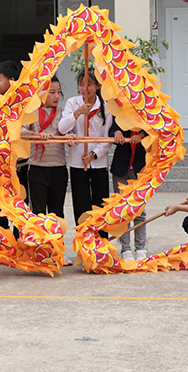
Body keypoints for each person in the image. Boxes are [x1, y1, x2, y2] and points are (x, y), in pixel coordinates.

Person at [59, 68, 113, 230]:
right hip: (77, 161)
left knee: (100, 203)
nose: (84, 88)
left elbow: (106, 137)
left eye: (89, 84)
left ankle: (100, 241)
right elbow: (62, 128)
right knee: (81, 203)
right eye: (81, 84)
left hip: (98, 163)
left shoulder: (106, 106)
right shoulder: (72, 103)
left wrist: (94, 154)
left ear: (97, 86)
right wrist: (77, 114)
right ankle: (83, 239)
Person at [0, 60, 26, 230]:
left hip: (20, 162)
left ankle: (18, 240)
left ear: (11, 79)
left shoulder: (22, 100)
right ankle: (5, 239)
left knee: (20, 202)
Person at [22, 76, 68, 219]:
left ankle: (56, 241)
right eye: (52, 92)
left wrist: (69, 136)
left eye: (59, 92)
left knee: (57, 211)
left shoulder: (62, 111)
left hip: (58, 167)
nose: (57, 96)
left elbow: (68, 129)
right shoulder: (31, 111)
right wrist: (35, 134)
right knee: (38, 211)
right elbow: (20, 132)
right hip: (37, 168)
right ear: (41, 93)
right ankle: (40, 241)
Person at [109, 122, 148, 260]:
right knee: (122, 210)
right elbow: (111, 126)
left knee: (139, 211)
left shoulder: (146, 110)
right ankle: (125, 248)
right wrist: (116, 132)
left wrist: (142, 134)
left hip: (140, 169)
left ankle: (141, 247)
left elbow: (155, 130)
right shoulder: (119, 109)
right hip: (121, 168)